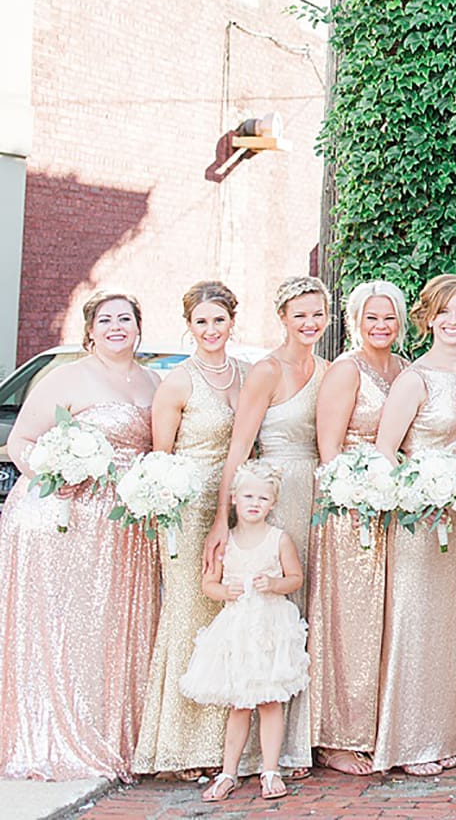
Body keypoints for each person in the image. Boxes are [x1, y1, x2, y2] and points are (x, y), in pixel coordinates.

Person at [0, 292, 160, 781]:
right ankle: (51, 733)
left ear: (138, 327)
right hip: (63, 519)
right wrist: (55, 475)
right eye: (105, 320)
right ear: (90, 330)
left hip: (123, 524)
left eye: (125, 318)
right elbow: (20, 441)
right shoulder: (67, 377)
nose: (116, 327)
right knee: (66, 626)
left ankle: (110, 731)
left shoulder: (153, 381)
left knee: (109, 630)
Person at [134, 281, 245, 779]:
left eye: (218, 320)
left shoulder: (246, 375)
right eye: (201, 321)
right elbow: (163, 457)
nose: (211, 329)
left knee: (228, 618)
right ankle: (179, 747)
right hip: (188, 508)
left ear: (232, 323)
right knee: (189, 615)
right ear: (189, 326)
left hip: (239, 506)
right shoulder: (178, 383)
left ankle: (226, 745)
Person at [373, 275, 456, 776]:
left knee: (449, 628)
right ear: (429, 318)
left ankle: (443, 735)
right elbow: (385, 451)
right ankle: (410, 742)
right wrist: (418, 495)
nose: (454, 320)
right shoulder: (414, 379)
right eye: (445, 312)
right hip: (419, 520)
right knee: (414, 623)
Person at [309, 280, 408, 776]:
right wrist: (355, 496)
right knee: (349, 620)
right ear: (355, 321)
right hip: (349, 507)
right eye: (372, 317)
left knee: (387, 619)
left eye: (389, 317)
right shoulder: (346, 370)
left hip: (394, 507)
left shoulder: (405, 369)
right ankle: (337, 736)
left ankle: (380, 728)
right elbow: (329, 450)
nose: (381, 326)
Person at [240, 276, 331, 776]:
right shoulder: (266, 371)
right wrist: (226, 520)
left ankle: (301, 738)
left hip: (317, 494)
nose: (310, 323)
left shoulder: (328, 370)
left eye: (317, 314)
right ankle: (261, 746)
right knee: (272, 610)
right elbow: (241, 446)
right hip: (275, 496)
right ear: (283, 317)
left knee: (309, 607)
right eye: (300, 315)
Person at [182, 460, 310, 803]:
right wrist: (225, 591)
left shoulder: (279, 539)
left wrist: (274, 584)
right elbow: (208, 584)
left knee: (270, 701)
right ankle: (229, 772)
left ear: (273, 502)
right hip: (237, 630)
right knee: (238, 704)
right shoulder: (226, 541)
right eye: (249, 496)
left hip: (270, 629)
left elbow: (295, 578)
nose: (255, 503)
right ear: (234, 498)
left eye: (263, 498)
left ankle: (270, 770)